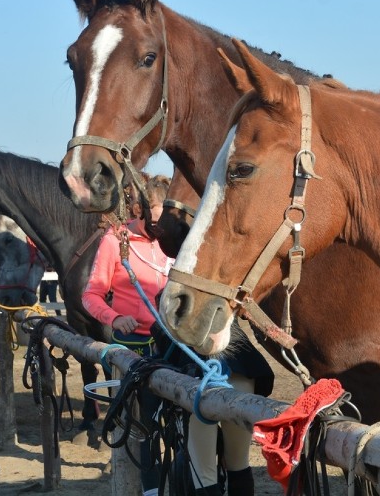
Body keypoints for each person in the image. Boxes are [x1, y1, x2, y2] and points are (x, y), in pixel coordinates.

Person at [83, 175, 272, 496]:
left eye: (166, 222)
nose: (162, 231)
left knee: (210, 451)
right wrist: (115, 318)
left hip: (186, 350)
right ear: (139, 209)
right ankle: (151, 490)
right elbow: (92, 295)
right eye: (156, 222)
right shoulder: (117, 243)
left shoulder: (186, 244)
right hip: (141, 350)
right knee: (145, 429)